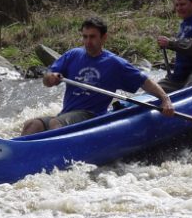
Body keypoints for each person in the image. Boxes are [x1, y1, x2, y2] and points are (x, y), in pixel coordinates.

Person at [22, 17, 175, 135]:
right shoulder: (72, 55)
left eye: (93, 37)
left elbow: (145, 81)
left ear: (103, 38)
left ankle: (51, 158)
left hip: (92, 117)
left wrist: (165, 99)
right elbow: (46, 80)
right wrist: (51, 77)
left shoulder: (115, 63)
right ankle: (16, 156)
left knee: (56, 123)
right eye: (85, 37)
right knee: (31, 125)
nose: (88, 41)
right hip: (66, 114)